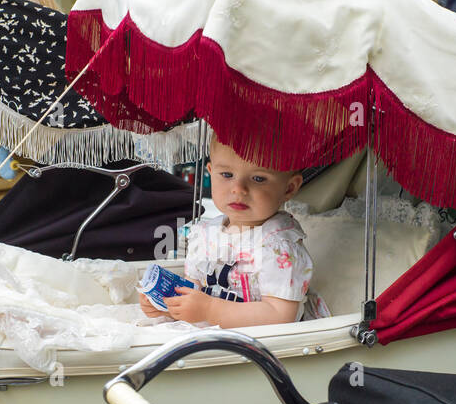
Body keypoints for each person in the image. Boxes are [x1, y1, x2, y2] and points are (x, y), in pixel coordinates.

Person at [140, 136, 329, 327]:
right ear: (211, 173)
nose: (239, 189)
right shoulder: (205, 233)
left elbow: (280, 315)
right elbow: (194, 288)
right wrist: (170, 307)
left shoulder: (278, 246)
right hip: (212, 334)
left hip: (263, 344)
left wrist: (210, 310)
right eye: (227, 175)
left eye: (258, 178)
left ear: (289, 188)